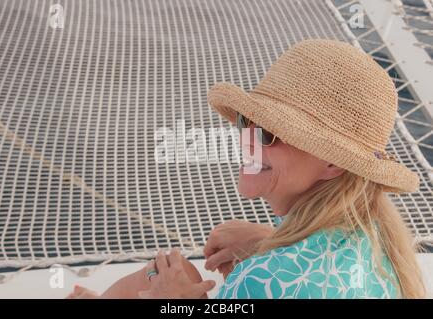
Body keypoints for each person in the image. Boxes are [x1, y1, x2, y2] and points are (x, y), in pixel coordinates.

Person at [67, 39, 425, 299]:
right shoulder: (376, 234)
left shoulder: (262, 281)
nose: (248, 142)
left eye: (269, 132)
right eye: (246, 121)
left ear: (332, 162)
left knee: (162, 273)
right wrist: (271, 242)